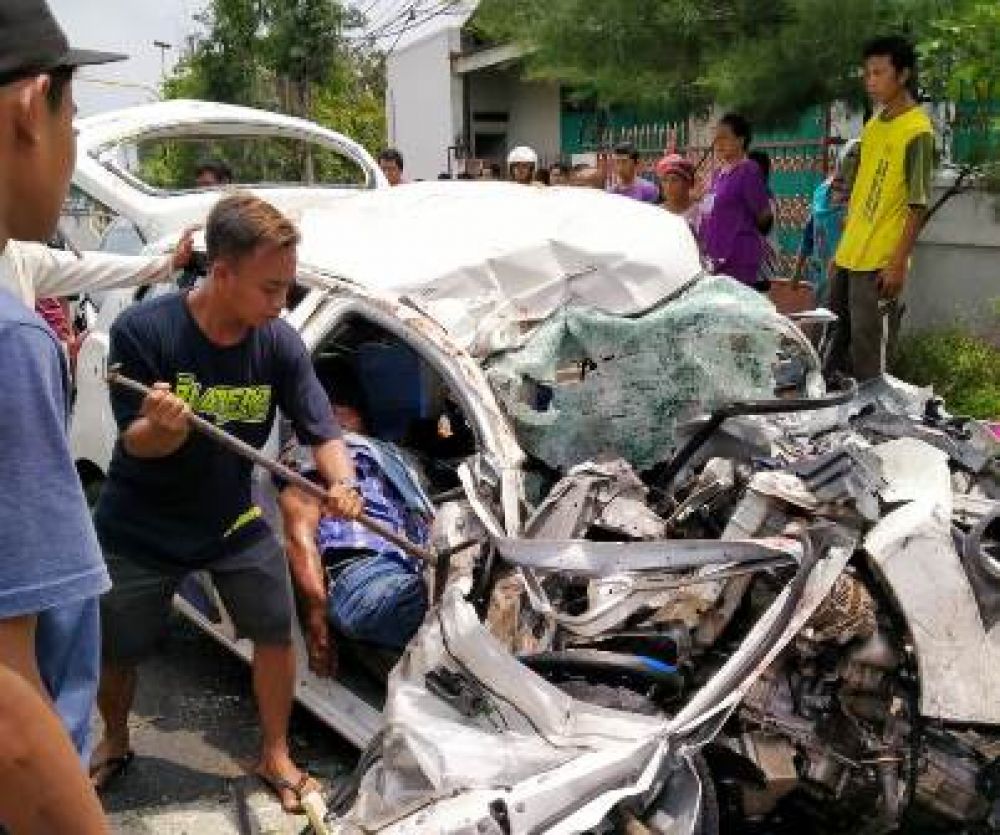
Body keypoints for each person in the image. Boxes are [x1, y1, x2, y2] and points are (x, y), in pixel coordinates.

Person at [89, 192, 364, 813]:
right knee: (117, 646)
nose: (281, 303)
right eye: (271, 288)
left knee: (274, 628)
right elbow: (138, 443)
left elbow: (323, 430)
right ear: (221, 273)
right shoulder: (145, 331)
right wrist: (165, 427)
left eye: (287, 287)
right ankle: (115, 739)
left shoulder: (278, 343)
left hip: (230, 517)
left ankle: (275, 753)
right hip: (140, 523)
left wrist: (342, 484)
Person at [0, 0, 126, 831]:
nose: (71, 147)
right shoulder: (11, 342)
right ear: (29, 106)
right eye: (71, 120)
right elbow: (11, 723)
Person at [278, 383, 433, 679]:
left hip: (416, 570)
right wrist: (316, 623)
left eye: (341, 408)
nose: (331, 416)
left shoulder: (396, 460)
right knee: (457, 615)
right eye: (324, 410)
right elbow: (298, 533)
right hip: (362, 574)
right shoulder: (315, 452)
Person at [826, 36, 933, 381]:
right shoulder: (873, 125)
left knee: (870, 358)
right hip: (850, 255)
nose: (870, 81)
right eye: (867, 73)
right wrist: (841, 248)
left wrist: (898, 262)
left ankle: (877, 413)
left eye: (878, 73)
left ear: (902, 75)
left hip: (879, 261)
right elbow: (862, 191)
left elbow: (918, 204)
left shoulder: (918, 132)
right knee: (831, 345)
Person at [699, 113, 773, 289]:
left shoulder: (749, 170)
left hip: (738, 258)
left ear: (740, 140)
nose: (718, 143)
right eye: (716, 138)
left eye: (724, 137)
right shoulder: (718, 174)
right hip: (714, 258)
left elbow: (763, 215)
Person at [793, 139, 861, 305]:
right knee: (820, 313)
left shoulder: (861, 198)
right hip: (820, 274)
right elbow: (809, 234)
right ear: (841, 158)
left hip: (849, 275)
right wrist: (797, 270)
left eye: (860, 156)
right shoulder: (821, 192)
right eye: (851, 155)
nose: (855, 161)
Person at [655, 153, 699, 231]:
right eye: (665, 180)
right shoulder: (656, 214)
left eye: (674, 180)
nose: (668, 186)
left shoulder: (701, 214)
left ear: (688, 183)